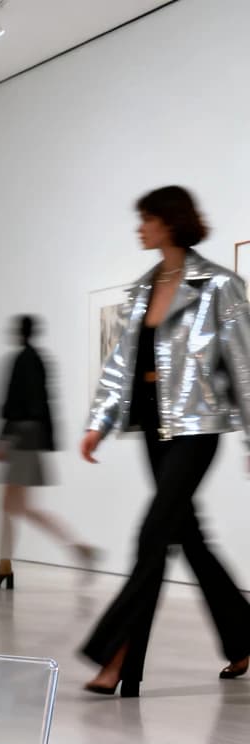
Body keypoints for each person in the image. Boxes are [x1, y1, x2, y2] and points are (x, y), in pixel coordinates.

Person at [80, 186, 250, 697]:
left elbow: (243, 367)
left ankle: (117, 657)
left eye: (147, 219)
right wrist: (100, 422)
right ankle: (243, 635)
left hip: (198, 428)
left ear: (170, 223)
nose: (140, 228)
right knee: (188, 538)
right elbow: (119, 367)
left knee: (152, 537)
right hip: (154, 429)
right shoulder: (140, 290)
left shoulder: (219, 286)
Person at [0, 314, 96, 589]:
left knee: (17, 507)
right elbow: (44, 404)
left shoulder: (23, 360)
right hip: (29, 440)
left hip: (21, 440)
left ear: (21, 333)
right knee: (10, 507)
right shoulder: (40, 361)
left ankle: (78, 547)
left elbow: (12, 404)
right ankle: (4, 567)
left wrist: (0, 440)